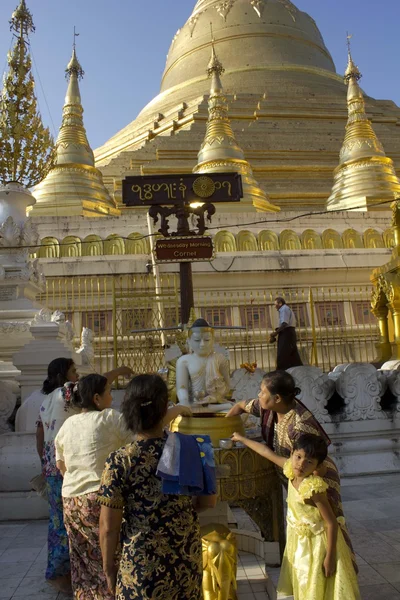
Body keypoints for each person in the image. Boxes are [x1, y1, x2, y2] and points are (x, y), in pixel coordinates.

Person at [98, 374, 217, 600]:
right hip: (184, 560)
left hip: (140, 566)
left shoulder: (119, 461)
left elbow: (108, 527)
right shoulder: (196, 448)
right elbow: (208, 502)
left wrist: (108, 568)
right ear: (165, 410)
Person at [226, 370, 357, 572]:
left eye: (262, 392)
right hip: (294, 474)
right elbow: (240, 406)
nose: (259, 395)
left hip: (316, 475)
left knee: (326, 523)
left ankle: (339, 567)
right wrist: (225, 425)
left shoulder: (300, 425)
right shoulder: (268, 407)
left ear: (277, 398)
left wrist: (311, 489)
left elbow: (316, 463)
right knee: (305, 529)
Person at [36, 359, 133, 594]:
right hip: (94, 492)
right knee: (108, 551)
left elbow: (53, 453)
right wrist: (119, 371)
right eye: (73, 372)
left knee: (75, 548)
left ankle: (76, 587)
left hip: (66, 487)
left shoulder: (56, 414)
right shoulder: (104, 415)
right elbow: (134, 444)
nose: (75, 376)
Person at [231, 432, 360, 600]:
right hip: (299, 542)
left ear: (316, 467)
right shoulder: (290, 470)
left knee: (316, 584)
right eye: (298, 456)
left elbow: (331, 523)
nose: (301, 464)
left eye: (309, 462)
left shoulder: (313, 489)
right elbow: (266, 452)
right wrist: (242, 439)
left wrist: (330, 556)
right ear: (292, 453)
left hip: (318, 545)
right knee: (302, 580)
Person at [175, 318, 232, 410]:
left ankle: (208, 408)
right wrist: (184, 401)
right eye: (197, 340)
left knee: (236, 411)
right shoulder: (183, 361)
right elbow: (182, 387)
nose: (202, 344)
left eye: (207, 340)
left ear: (213, 340)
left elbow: (228, 385)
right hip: (193, 404)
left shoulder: (220, 359)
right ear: (189, 341)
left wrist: (214, 397)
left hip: (215, 403)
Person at [269, 297, 303, 370]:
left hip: (287, 333)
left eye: (276, 304)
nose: (275, 307)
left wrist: (276, 333)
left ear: (280, 303)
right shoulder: (285, 309)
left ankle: (281, 372)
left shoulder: (284, 309)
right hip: (288, 333)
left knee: (283, 354)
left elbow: (284, 323)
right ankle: (298, 370)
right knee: (292, 355)